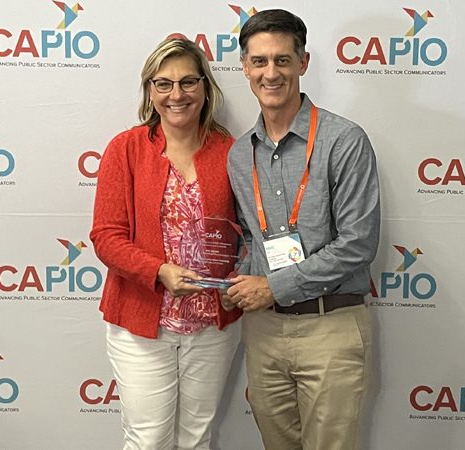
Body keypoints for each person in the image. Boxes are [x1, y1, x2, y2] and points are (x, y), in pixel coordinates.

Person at [224, 9, 381, 450]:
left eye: (281, 60)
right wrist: (229, 280)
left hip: (329, 326)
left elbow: (357, 245)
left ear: (303, 63)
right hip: (264, 331)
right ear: (245, 67)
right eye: (259, 61)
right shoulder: (239, 155)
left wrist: (273, 286)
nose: (270, 73)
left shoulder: (344, 140)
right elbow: (251, 239)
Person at [90, 38, 242, 450]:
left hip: (212, 323)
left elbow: (248, 235)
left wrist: (240, 279)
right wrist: (158, 271)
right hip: (142, 322)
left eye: (188, 82)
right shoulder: (126, 149)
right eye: (164, 84)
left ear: (206, 88)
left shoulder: (232, 152)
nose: (177, 95)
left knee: (196, 438)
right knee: (148, 439)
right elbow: (106, 236)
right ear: (150, 91)